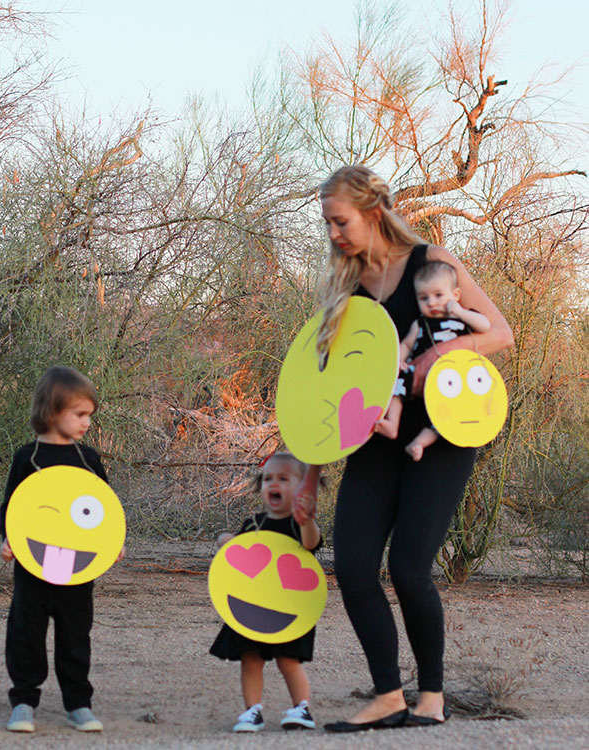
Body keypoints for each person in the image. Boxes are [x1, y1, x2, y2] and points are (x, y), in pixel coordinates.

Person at [294, 165, 512, 732]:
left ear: (371, 212)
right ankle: (389, 695)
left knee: (410, 566)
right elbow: (324, 392)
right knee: (356, 565)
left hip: (437, 437)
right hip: (372, 442)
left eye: (340, 221)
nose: (334, 234)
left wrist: (443, 353)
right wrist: (311, 478)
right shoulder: (345, 291)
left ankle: (432, 698)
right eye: (327, 224)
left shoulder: (431, 262)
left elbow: (500, 333)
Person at [0, 366, 120, 733]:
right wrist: (7, 540)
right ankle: (23, 701)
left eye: (89, 416)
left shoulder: (89, 460)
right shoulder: (28, 458)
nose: (86, 423)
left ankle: (78, 704)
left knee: (75, 634)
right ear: (52, 411)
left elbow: (104, 510)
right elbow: (11, 508)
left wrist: (111, 544)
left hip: (77, 568)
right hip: (34, 565)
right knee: (26, 632)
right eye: (80, 414)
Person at [209, 452, 322, 733]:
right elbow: (236, 556)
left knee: (289, 660)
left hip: (289, 609)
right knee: (250, 658)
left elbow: (311, 544)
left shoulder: (300, 525)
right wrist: (226, 540)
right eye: (268, 478)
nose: (274, 483)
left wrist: (307, 520)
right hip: (251, 606)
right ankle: (252, 712)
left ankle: (302, 709)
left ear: (302, 487)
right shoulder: (253, 525)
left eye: (284, 478)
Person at [374, 260, 492, 460]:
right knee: (396, 382)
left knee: (445, 414)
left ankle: (420, 443)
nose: (431, 303)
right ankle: (392, 423)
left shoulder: (462, 319)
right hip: (418, 375)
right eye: (424, 298)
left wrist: (462, 312)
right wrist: (399, 361)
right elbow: (406, 345)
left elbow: (486, 326)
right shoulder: (420, 324)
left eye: (438, 295)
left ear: (455, 296)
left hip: (450, 378)